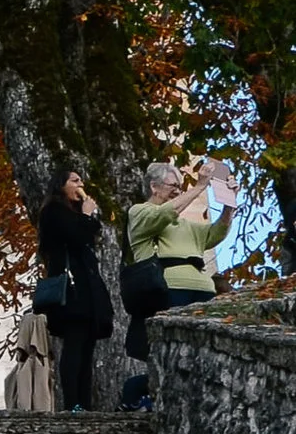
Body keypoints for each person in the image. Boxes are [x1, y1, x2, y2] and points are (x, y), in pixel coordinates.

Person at [121, 155, 239, 403]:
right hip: (168, 291)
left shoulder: (184, 223)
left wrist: (229, 205)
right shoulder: (140, 212)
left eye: (179, 187)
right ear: (154, 187)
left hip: (202, 292)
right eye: (173, 186)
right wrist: (199, 187)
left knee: (201, 356)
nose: (178, 191)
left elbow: (214, 234)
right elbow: (163, 214)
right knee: (172, 356)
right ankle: (136, 394)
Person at [35, 165, 114, 413]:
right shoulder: (53, 212)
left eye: (81, 180)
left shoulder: (77, 213)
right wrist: (86, 215)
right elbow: (75, 236)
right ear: (61, 185)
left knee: (87, 347)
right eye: (74, 180)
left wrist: (87, 215)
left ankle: (85, 404)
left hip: (87, 289)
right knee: (74, 344)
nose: (80, 185)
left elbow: (90, 235)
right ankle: (72, 404)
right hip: (71, 290)